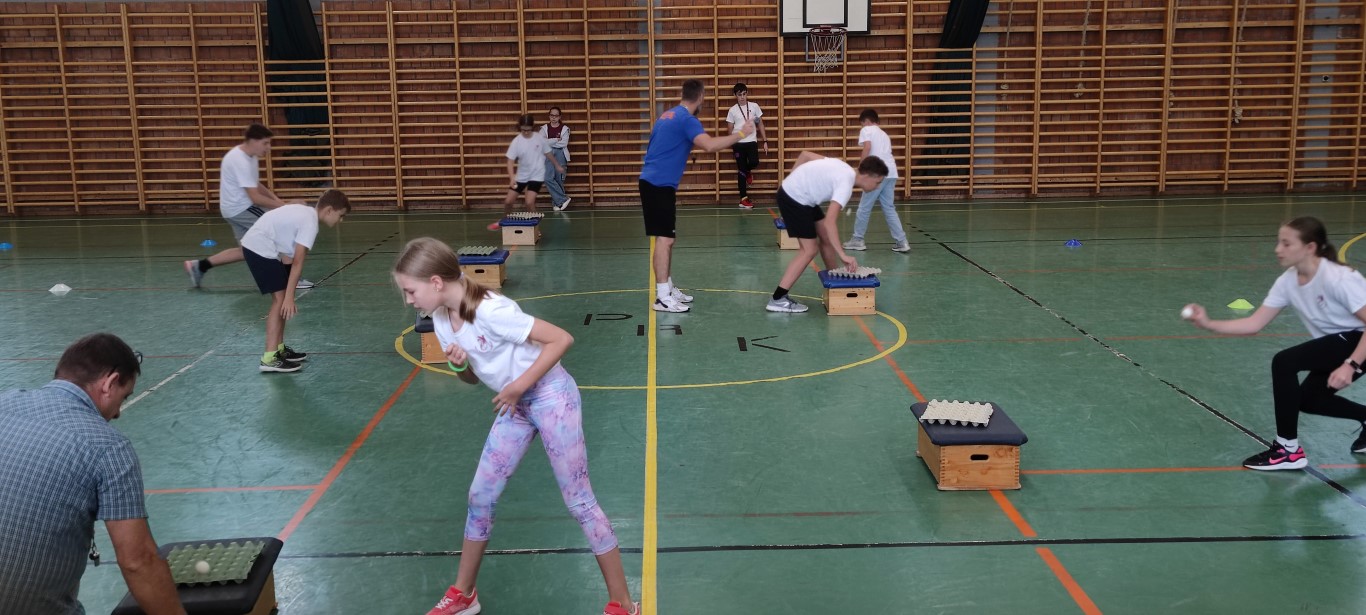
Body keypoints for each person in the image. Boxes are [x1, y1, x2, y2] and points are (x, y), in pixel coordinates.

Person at [392, 238, 637, 615]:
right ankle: (464, 594)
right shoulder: (441, 319)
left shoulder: (492, 310)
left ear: (436, 282)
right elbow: (471, 379)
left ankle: (624, 604)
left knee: (579, 501)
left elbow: (561, 339)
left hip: (552, 397)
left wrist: (519, 386)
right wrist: (459, 364)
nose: (409, 300)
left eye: (411, 290)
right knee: (480, 496)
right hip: (516, 404)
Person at [0, 333, 185, 615]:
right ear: (110, 383)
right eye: (124, 397)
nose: (118, 413)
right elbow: (138, 562)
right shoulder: (109, 447)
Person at [1185, 217, 1366, 470]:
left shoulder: (1338, 278)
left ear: (1310, 247)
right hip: (1341, 344)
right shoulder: (1287, 281)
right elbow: (1254, 323)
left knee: (1285, 362)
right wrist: (1208, 323)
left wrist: (1350, 364)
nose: (1278, 249)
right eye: (1278, 242)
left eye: (1286, 243)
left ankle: (1288, 450)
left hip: (1358, 342)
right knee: (1309, 401)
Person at [640, 79, 755, 312]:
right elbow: (709, 145)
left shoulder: (668, 115)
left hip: (657, 183)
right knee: (664, 239)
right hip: (657, 184)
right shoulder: (686, 119)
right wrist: (741, 133)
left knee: (668, 239)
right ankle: (662, 297)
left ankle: (667, 287)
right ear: (701, 97)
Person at [184, 123, 314, 290]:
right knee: (282, 235)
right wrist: (284, 208)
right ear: (253, 141)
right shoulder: (241, 160)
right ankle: (291, 280)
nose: (269, 147)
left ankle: (199, 266)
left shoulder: (249, 156)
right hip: (243, 209)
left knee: (247, 250)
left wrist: (279, 202)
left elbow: (256, 185)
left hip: (232, 210)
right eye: (265, 143)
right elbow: (255, 197)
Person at [241, 189, 350, 373]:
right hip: (259, 249)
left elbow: (290, 259)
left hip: (263, 247)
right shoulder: (310, 223)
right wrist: (289, 297)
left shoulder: (306, 212)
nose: (340, 221)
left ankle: (279, 349)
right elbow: (298, 261)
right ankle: (269, 358)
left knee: (282, 298)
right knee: (280, 301)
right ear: (329, 210)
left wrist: (288, 292)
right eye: (341, 216)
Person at [767, 151, 887, 313]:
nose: (877, 187)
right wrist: (843, 255)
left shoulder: (843, 167)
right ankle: (778, 299)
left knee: (825, 236)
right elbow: (830, 221)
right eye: (878, 182)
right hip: (795, 199)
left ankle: (835, 282)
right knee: (809, 250)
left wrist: (790, 181)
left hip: (802, 197)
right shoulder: (846, 184)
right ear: (867, 176)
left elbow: (805, 155)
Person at [842, 109, 910, 253]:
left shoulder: (866, 129)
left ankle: (858, 239)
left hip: (876, 173)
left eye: (862, 124)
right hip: (891, 172)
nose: (862, 127)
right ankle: (902, 241)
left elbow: (867, 147)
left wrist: (861, 168)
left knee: (864, 207)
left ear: (865, 121)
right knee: (889, 208)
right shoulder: (884, 134)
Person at [487, 114, 564, 231]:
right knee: (508, 201)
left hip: (536, 175)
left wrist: (557, 165)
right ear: (520, 128)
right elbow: (510, 161)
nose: (526, 132)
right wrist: (512, 177)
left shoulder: (539, 139)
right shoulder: (517, 141)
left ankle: (536, 230)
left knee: (529, 202)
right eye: (523, 130)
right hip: (522, 175)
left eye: (528, 130)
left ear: (532, 127)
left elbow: (548, 153)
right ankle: (504, 222)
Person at [725, 83, 768, 209]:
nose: (742, 97)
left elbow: (760, 124)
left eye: (744, 94)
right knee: (741, 170)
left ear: (747, 93)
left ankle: (748, 170)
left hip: (751, 142)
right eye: (740, 95)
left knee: (754, 162)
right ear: (735, 95)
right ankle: (743, 199)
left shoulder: (754, 106)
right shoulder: (732, 110)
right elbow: (730, 128)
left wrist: (765, 141)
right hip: (738, 143)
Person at [541, 106, 573, 212]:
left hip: (561, 154)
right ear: (549, 116)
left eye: (556, 115)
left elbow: (563, 143)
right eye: (552, 115)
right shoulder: (544, 128)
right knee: (547, 178)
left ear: (559, 117)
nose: (554, 118)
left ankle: (557, 203)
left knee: (559, 180)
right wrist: (556, 139)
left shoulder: (565, 129)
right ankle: (563, 199)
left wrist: (549, 141)